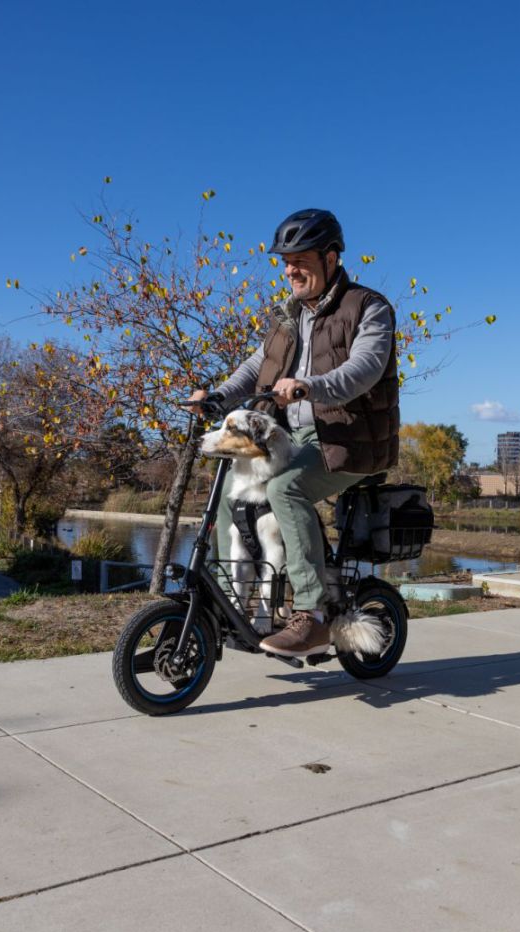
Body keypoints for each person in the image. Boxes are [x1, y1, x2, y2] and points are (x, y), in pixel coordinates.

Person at [186, 208, 398, 656]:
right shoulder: (286, 316)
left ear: (331, 257)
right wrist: (218, 398)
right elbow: (255, 367)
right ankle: (230, 597)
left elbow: (364, 369)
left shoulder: (369, 307)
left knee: (285, 489)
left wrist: (309, 387)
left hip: (348, 441)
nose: (290, 270)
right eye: (285, 261)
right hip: (290, 439)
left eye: (300, 259)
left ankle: (313, 615)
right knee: (228, 490)